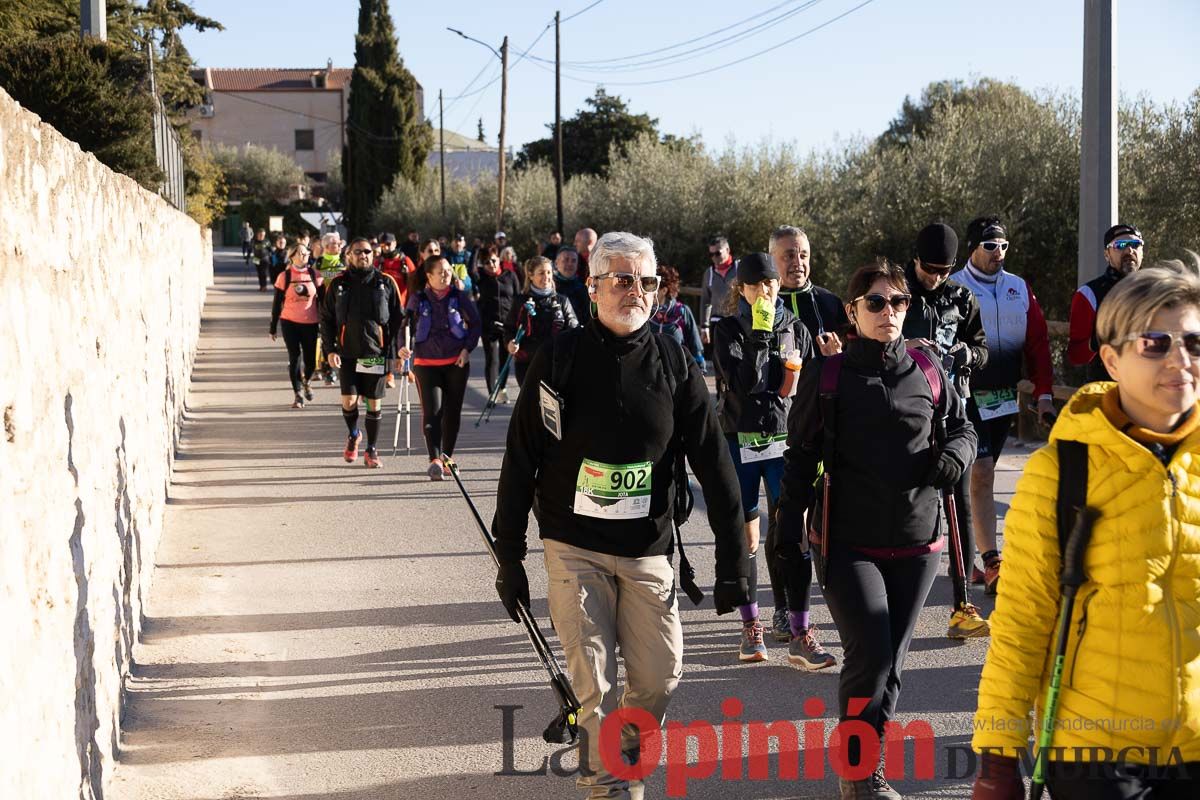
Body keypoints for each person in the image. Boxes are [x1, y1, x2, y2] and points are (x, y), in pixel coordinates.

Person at [491, 231, 752, 800]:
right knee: (595, 684)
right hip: (572, 545)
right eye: (623, 279)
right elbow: (520, 460)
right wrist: (508, 557)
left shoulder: (674, 361)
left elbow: (716, 464)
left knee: (660, 676)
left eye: (647, 281)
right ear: (592, 288)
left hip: (648, 549)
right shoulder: (558, 358)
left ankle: (621, 753)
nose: (637, 291)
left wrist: (734, 561)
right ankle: (609, 784)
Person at [971, 261, 1200, 800]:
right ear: (1112, 359)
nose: (1180, 360)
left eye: (1194, 341)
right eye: (1155, 342)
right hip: (1097, 754)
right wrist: (998, 758)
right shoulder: (1060, 471)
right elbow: (1023, 621)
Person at [777, 259, 976, 799]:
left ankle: (864, 766)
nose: (889, 312)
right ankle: (862, 776)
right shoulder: (831, 375)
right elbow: (800, 457)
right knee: (872, 656)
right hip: (848, 543)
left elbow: (962, 426)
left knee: (893, 667)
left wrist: (955, 456)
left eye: (899, 302)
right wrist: (784, 530)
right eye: (876, 302)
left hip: (918, 542)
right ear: (852, 310)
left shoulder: (928, 368)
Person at [712, 253, 830, 668]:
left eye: (773, 284)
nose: (767, 291)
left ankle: (800, 631)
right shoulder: (725, 329)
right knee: (746, 538)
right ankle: (751, 627)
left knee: (792, 534)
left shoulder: (796, 327)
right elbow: (742, 385)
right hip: (739, 441)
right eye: (758, 284)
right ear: (741, 289)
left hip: (784, 441)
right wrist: (759, 335)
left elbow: (803, 386)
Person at [953, 217, 1054, 596]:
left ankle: (972, 553)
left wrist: (1043, 393)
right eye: (991, 245)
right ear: (973, 248)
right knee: (979, 474)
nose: (999, 253)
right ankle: (992, 560)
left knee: (984, 474)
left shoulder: (1018, 289)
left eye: (1004, 246)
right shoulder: (955, 288)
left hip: (1002, 399)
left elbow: (1039, 345)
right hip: (964, 398)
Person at [902, 223, 991, 640]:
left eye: (945, 269)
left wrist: (966, 355)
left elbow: (982, 347)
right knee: (905, 506)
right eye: (930, 268)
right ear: (915, 259)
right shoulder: (895, 293)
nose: (936, 277)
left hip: (955, 411)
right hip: (906, 414)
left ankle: (961, 605)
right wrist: (907, 348)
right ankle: (893, 600)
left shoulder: (962, 296)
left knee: (960, 506)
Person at [318, 237, 404, 469]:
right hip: (347, 353)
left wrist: (395, 353)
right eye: (358, 252)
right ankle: (354, 434)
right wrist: (329, 350)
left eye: (367, 251)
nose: (363, 255)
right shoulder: (338, 284)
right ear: (349, 256)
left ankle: (372, 449)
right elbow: (326, 319)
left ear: (373, 254)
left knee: (374, 405)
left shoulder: (385, 283)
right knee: (349, 401)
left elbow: (396, 320)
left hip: (374, 353)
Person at [399, 255, 482, 480]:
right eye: (441, 272)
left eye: (448, 271)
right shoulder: (418, 299)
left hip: (456, 361)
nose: (446, 275)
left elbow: (475, 324)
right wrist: (402, 348)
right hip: (426, 363)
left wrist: (467, 349)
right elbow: (404, 325)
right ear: (429, 276)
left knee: (452, 412)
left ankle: (447, 456)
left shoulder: (459, 296)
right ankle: (434, 459)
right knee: (432, 411)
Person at [1067, 223, 1145, 383]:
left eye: (1135, 244)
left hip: (1147, 393)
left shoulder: (1155, 291)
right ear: (1107, 254)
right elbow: (1075, 356)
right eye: (1120, 245)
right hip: (1105, 393)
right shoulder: (1089, 294)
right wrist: (1099, 339)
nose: (1129, 250)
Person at [772, 226, 849, 359]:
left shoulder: (830, 301)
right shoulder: (760, 304)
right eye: (789, 256)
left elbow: (849, 352)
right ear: (771, 259)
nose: (798, 262)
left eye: (803, 256)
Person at [505, 256, 579, 387]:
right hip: (527, 363)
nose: (546, 276)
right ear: (531, 275)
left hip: (556, 364)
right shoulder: (520, 301)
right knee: (531, 405)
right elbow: (509, 328)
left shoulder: (562, 301)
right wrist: (510, 342)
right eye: (541, 273)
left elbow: (574, 329)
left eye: (549, 272)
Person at [270, 242, 323, 408]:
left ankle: (306, 382)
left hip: (311, 323)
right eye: (300, 253)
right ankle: (298, 394)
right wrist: (273, 327)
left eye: (306, 252)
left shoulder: (315, 275)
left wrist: (327, 324)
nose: (304, 255)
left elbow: (323, 302)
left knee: (310, 361)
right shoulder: (284, 277)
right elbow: (277, 303)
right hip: (289, 322)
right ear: (292, 256)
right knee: (295, 358)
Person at [476, 244, 521, 403]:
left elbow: (518, 297)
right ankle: (492, 394)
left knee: (505, 359)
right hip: (489, 325)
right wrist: (477, 251)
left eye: (494, 261)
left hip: (508, 325)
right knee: (492, 359)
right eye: (487, 262)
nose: (492, 265)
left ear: (499, 260)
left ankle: (502, 388)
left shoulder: (510, 276)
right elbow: (470, 271)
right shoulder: (481, 278)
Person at [650, 265, 704, 370]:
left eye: (652, 287)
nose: (647, 291)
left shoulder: (682, 312)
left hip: (679, 374)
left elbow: (695, 345)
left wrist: (700, 370)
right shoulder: (646, 314)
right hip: (652, 374)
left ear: (664, 290)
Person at [700, 235, 737, 346]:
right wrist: (704, 326)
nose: (714, 257)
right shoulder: (709, 273)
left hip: (738, 321)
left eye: (717, 253)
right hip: (717, 323)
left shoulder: (739, 269)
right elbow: (705, 301)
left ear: (727, 250)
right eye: (711, 254)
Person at [554, 246, 591, 326]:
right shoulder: (549, 289)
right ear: (556, 263)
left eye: (574, 261)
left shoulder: (583, 289)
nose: (570, 264)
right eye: (566, 260)